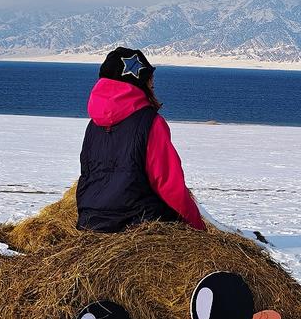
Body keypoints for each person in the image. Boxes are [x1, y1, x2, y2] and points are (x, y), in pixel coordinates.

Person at [77, 47, 205, 233]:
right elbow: (169, 184)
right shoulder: (150, 123)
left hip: (91, 221)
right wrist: (198, 227)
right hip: (138, 222)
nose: (153, 85)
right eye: (150, 81)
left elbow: (86, 177)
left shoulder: (93, 125)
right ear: (139, 84)